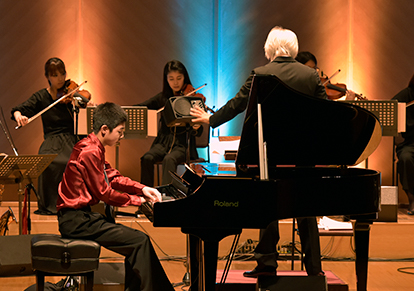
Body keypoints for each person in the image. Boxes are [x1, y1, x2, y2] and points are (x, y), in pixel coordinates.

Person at [190, 26, 324, 277]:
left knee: (269, 206)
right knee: (307, 209)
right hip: (304, 156)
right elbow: (326, 115)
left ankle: (267, 265)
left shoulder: (261, 73)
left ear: (269, 48)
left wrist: (212, 120)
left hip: (269, 154)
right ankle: (315, 270)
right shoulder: (311, 76)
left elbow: (238, 104)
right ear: (294, 48)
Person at [57, 102, 174, 291]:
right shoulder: (89, 151)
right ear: (105, 129)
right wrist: (138, 201)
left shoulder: (93, 147)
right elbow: (104, 193)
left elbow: (114, 177)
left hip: (83, 218)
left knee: (137, 242)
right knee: (139, 241)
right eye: (120, 131)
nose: (122, 135)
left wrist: (143, 188)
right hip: (76, 222)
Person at [11, 57, 90, 215]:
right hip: (52, 140)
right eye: (55, 75)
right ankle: (51, 205)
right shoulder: (41, 97)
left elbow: (85, 99)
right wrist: (19, 115)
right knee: (48, 162)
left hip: (73, 137)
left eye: (62, 74)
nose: (60, 79)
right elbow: (19, 109)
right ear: (47, 76)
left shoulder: (72, 91)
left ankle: (75, 203)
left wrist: (79, 101)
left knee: (72, 162)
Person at [136, 60, 205, 186]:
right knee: (147, 158)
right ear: (166, 79)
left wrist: (196, 126)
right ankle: (146, 196)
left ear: (185, 77)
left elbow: (199, 132)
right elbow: (142, 107)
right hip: (162, 143)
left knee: (169, 159)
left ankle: (166, 197)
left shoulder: (192, 98)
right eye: (171, 78)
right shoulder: (162, 97)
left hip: (182, 144)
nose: (176, 82)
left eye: (179, 78)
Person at [392, 72, 414, 214]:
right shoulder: (407, 94)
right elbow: (391, 108)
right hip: (409, 143)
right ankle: (412, 200)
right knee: (406, 158)